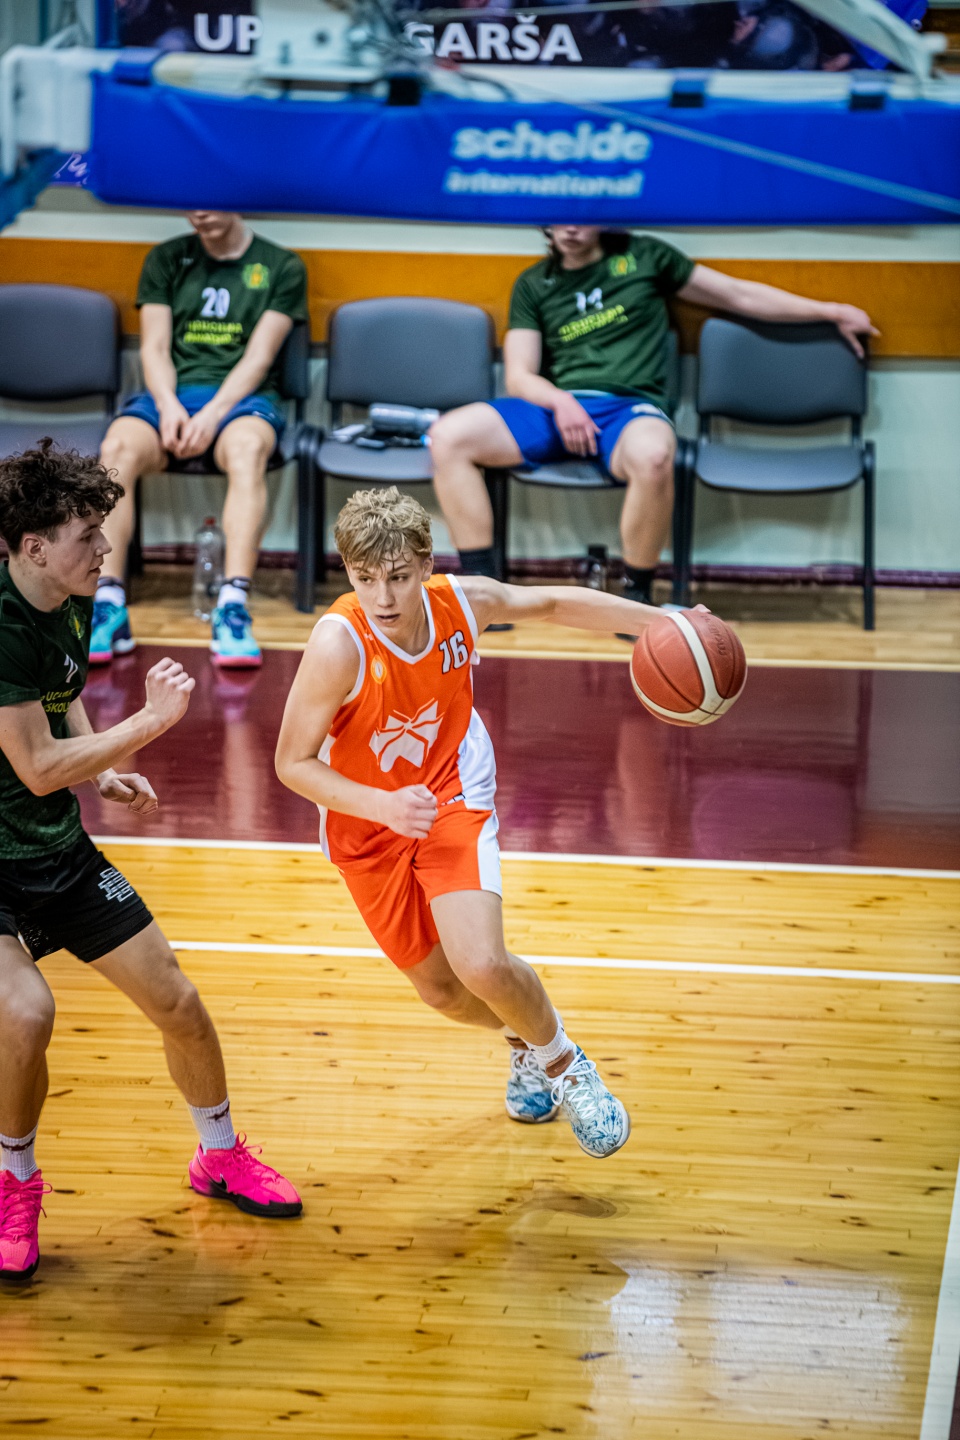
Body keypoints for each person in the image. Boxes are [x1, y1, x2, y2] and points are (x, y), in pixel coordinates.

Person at [275, 486, 685, 1159]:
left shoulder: (463, 605)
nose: (383, 597)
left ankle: (567, 1067)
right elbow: (291, 763)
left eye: (398, 577)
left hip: (450, 789)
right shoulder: (338, 645)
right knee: (442, 991)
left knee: (483, 964)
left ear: (427, 564)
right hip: (365, 820)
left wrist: (665, 623)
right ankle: (525, 1042)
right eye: (365, 578)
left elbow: (552, 603)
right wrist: (383, 806)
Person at [0, 442, 301, 1285]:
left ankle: (219, 1154)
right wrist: (146, 726)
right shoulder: (1, 625)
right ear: (33, 548)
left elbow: (60, 701)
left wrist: (102, 766)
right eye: (89, 536)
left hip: (53, 848)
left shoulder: (65, 597)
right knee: (25, 1014)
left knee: (178, 1001)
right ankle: (13, 1181)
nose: (106, 548)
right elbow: (35, 765)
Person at [429, 225, 877, 617]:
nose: (570, 228)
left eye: (582, 215)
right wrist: (561, 402)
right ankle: (484, 592)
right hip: (556, 404)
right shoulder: (534, 282)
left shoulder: (646, 256)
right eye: (559, 217)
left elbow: (736, 294)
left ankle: (636, 596)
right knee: (448, 436)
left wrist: (830, 311)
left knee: (655, 456)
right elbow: (519, 375)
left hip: (628, 408)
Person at [94, 210, 308, 669]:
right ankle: (108, 603)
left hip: (243, 399)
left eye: (210, 199)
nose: (200, 212)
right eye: (190, 203)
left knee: (247, 450)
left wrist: (212, 415)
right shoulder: (166, 258)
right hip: (170, 396)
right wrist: (168, 404)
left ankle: (232, 604)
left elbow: (259, 358)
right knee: (116, 448)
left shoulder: (281, 265)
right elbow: (154, 348)